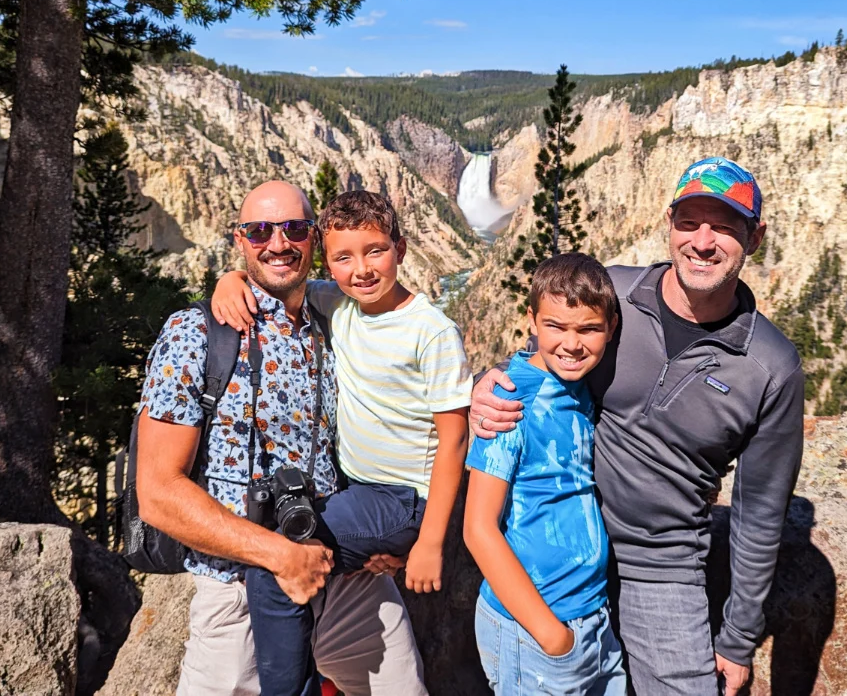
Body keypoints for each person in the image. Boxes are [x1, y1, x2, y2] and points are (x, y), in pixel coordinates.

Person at [471, 157, 805, 696]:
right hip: (560, 551)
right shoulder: (615, 297)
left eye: (724, 225)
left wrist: (739, 637)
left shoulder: (771, 367)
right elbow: (551, 350)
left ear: (755, 236)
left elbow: (760, 512)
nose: (702, 240)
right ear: (668, 224)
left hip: (661, 566)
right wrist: (488, 385)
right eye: (689, 221)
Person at [134, 181, 428, 696]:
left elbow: (416, 333)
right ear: (239, 239)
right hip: (238, 589)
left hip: (341, 570)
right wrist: (276, 555)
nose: (277, 243)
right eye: (258, 231)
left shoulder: (335, 317)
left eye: (293, 228)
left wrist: (492, 383)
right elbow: (157, 493)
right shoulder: (195, 334)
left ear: (313, 238)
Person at [212, 189, 472, 696]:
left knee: (277, 562)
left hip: (401, 499)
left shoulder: (432, 331)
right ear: (327, 263)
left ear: (400, 247)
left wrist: (429, 544)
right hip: (357, 492)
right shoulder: (336, 302)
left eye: (376, 251)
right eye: (343, 258)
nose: (362, 270)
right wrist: (233, 279)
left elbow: (454, 440)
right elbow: (278, 279)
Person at [463, 252, 628, 696]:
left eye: (589, 329)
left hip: (592, 617)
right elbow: (479, 528)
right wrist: (552, 635)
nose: (572, 344)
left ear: (611, 327)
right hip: (536, 629)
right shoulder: (510, 401)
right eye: (556, 326)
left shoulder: (578, 387)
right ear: (532, 320)